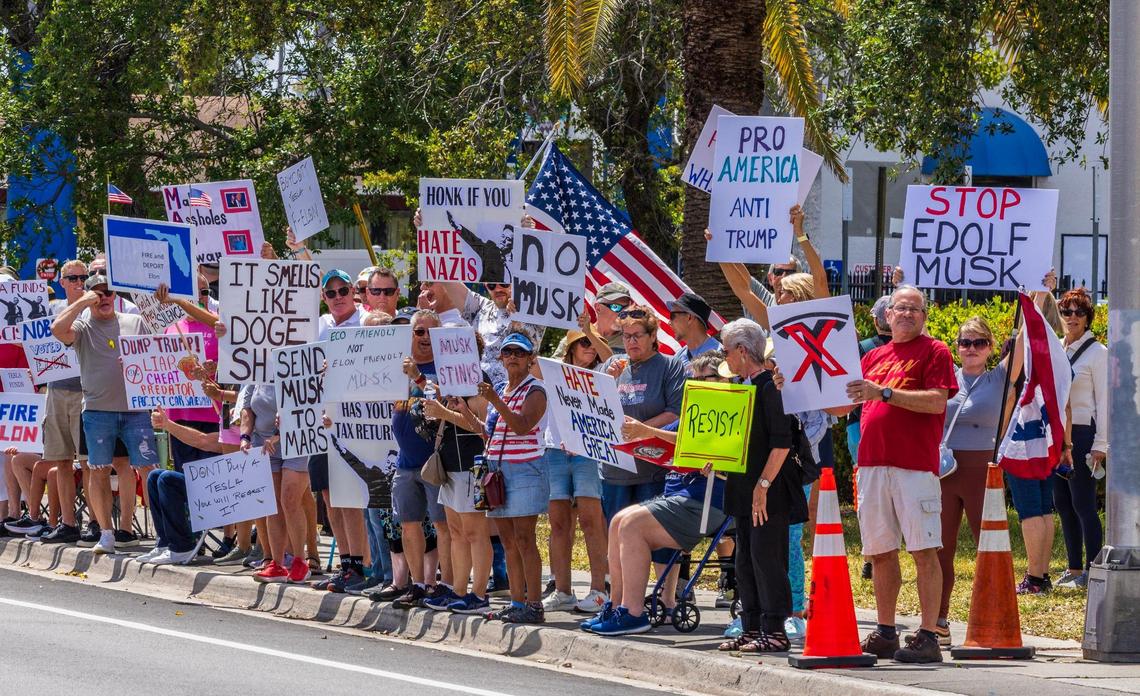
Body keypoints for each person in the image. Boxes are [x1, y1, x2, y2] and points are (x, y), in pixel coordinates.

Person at [836, 285, 957, 664]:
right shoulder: (873, 355)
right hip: (871, 465)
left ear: (924, 316)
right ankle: (886, 631)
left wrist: (884, 393)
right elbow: (843, 407)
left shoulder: (935, 351)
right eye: (900, 308)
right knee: (880, 551)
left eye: (915, 309)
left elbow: (938, 400)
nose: (906, 314)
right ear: (886, 315)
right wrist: (795, 389)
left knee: (923, 549)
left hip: (914, 466)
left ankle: (927, 634)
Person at [583, 352, 729, 636]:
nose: (697, 384)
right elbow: (649, 439)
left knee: (631, 525)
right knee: (618, 520)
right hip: (679, 499)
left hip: (704, 502)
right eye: (693, 379)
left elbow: (690, 440)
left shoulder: (726, 413)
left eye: (705, 378)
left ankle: (634, 612)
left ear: (724, 380)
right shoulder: (691, 414)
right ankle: (617, 607)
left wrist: (646, 429)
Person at [715, 319, 807, 653]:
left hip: (769, 493)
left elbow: (782, 444)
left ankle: (775, 629)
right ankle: (752, 626)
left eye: (726, 351)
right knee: (746, 561)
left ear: (742, 350)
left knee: (768, 559)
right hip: (743, 489)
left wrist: (763, 486)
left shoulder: (772, 387)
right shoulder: (742, 387)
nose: (723, 357)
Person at [51, 274, 157, 555]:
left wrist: (138, 361)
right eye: (96, 293)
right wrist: (81, 303)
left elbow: (156, 358)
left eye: (107, 292)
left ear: (115, 295)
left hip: (135, 411)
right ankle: (106, 533)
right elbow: (57, 328)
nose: (103, 297)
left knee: (147, 468)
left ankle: (159, 533)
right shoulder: (83, 326)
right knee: (97, 470)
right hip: (98, 412)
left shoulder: (134, 322)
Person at [935, 316, 1023, 644]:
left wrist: (1037, 297)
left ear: (990, 347)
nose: (971, 349)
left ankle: (997, 620)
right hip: (944, 471)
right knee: (940, 548)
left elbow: (1024, 344)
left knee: (990, 547)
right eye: (965, 343)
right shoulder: (946, 377)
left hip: (981, 470)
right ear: (957, 347)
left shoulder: (999, 377)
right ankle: (938, 620)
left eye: (979, 343)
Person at [478, 333, 549, 624]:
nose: (513, 357)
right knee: (508, 539)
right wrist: (454, 412)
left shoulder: (536, 390)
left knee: (524, 538)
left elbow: (521, 426)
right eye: (508, 352)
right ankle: (517, 601)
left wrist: (494, 399)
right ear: (501, 357)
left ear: (530, 358)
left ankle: (534, 604)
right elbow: (489, 431)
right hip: (498, 468)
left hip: (525, 468)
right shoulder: (501, 389)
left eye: (519, 353)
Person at [419, 338, 493, 614]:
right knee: (457, 532)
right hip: (450, 464)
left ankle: (479, 593)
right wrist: (437, 410)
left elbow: (481, 427)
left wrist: (444, 412)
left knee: (475, 532)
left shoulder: (479, 379)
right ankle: (458, 590)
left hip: (472, 464)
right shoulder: (446, 381)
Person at [388, 309, 453, 609]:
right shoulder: (393, 365)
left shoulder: (446, 367)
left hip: (435, 461)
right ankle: (416, 584)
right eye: (418, 332)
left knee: (443, 525)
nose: (425, 337)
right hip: (405, 461)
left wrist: (417, 376)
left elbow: (441, 401)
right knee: (409, 524)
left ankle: (441, 584)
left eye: (430, 332)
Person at [542, 330, 610, 614]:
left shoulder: (602, 375)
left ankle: (599, 589)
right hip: (555, 450)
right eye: (585, 342)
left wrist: (592, 333)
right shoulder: (553, 372)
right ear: (569, 346)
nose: (591, 348)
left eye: (594, 343)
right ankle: (562, 590)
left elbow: (612, 357)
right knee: (558, 524)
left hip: (588, 453)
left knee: (591, 521)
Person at [312, 269, 372, 592]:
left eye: (343, 290)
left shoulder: (364, 322)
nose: (337, 297)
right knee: (329, 494)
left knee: (352, 495)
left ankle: (361, 564)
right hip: (321, 422)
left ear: (354, 292)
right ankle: (346, 562)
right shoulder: (320, 326)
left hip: (355, 423)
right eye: (330, 292)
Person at [25, 261, 89, 544]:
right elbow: (28, 339)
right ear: (61, 282)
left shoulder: (93, 307)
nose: (79, 281)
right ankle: (68, 523)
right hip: (56, 391)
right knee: (61, 460)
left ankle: (97, 523)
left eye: (83, 277)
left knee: (88, 463)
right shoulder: (52, 309)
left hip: (86, 391)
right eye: (73, 277)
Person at [135, 406, 238, 565]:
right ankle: (164, 544)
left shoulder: (243, 432)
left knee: (167, 479)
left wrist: (168, 424)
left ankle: (182, 547)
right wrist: (167, 423)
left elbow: (203, 441)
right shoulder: (231, 424)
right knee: (154, 476)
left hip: (222, 492)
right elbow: (202, 439)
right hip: (208, 483)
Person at [1054, 289, 1107, 590]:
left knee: (1083, 503)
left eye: (1078, 312)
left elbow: (1105, 401)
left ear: (1088, 318)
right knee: (1062, 502)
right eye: (1066, 312)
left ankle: (1093, 568)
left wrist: (1101, 444)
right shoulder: (1059, 348)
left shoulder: (1099, 353)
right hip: (1059, 434)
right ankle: (1074, 568)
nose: (1072, 317)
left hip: (1085, 435)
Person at [576, 282, 633, 362]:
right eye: (615, 307)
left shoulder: (632, 340)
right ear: (598, 308)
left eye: (626, 308)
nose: (622, 313)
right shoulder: (577, 335)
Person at [667, 292, 721, 371]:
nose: (669, 322)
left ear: (689, 318)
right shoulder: (677, 358)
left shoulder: (721, 357)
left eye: (673, 316)